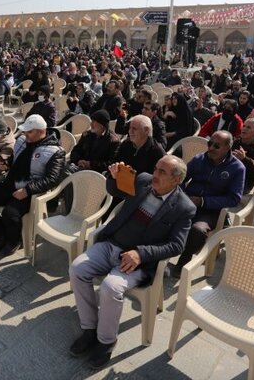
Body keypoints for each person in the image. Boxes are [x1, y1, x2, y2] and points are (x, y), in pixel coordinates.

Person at [68, 155, 195, 370]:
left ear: (177, 180)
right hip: (111, 244)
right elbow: (116, 191)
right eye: (156, 168)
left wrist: (141, 253)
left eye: (162, 172)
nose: (155, 174)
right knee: (77, 268)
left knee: (110, 287)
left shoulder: (184, 207)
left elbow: (176, 245)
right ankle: (90, 328)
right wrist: (113, 177)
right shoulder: (143, 180)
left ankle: (106, 341)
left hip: (138, 262)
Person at [0, 114, 65, 255]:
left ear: (41, 131)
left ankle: (14, 240)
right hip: (12, 183)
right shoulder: (22, 140)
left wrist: (28, 190)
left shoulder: (55, 151)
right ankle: (0, 233)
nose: (25, 134)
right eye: (24, 131)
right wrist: (5, 162)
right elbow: (14, 160)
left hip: (32, 190)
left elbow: (52, 179)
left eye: (29, 131)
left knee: (9, 213)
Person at [174, 131, 245, 277]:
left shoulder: (237, 168)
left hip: (211, 210)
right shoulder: (200, 159)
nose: (211, 148)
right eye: (209, 143)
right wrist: (184, 196)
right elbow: (179, 178)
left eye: (216, 146)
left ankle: (184, 260)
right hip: (188, 201)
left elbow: (234, 198)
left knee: (198, 230)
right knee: (163, 215)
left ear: (227, 148)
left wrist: (204, 201)